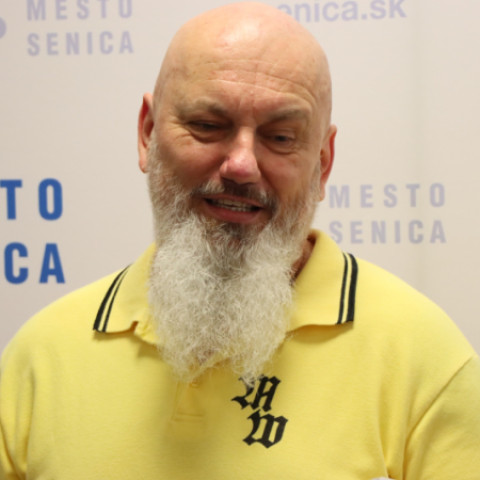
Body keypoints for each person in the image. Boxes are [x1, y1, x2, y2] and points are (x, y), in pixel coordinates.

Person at [1, 2, 479, 479]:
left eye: (281, 137)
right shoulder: (39, 360)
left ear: (323, 163)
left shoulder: (424, 361)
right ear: (147, 133)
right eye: (208, 126)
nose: (242, 165)